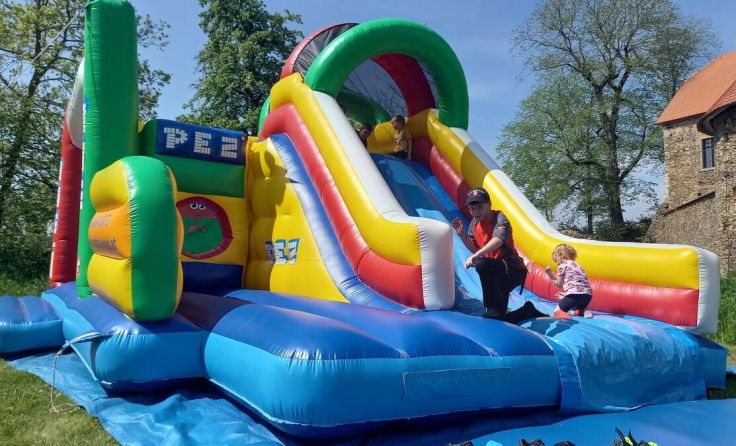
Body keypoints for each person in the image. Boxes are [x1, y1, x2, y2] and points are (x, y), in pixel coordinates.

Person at [452, 188, 545, 323]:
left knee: (482, 264)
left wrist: (477, 255)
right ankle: (527, 310)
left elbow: (498, 240)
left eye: (480, 207)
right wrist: (463, 237)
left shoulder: (499, 218)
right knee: (498, 318)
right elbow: (475, 248)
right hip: (495, 272)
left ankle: (491, 308)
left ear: (489, 204)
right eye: (472, 209)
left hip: (512, 269)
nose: (476, 212)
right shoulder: (474, 224)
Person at [545, 244, 593, 319]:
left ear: (560, 255)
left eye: (556, 260)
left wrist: (549, 274)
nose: (557, 263)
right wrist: (566, 295)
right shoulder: (578, 265)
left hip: (575, 295)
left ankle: (568, 319)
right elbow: (578, 284)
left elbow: (559, 285)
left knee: (557, 311)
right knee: (575, 307)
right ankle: (584, 310)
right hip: (587, 296)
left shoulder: (562, 266)